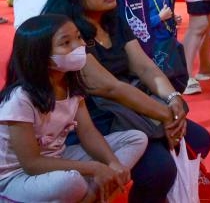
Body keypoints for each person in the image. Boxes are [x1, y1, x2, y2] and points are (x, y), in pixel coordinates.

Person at [42, 0, 210, 203]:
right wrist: (166, 115)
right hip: (94, 117)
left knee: (200, 140)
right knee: (159, 169)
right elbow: (109, 87)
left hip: (131, 106)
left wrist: (173, 98)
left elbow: (144, 66)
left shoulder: (112, 20)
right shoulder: (69, 35)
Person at [0, 14, 148, 203]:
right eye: (66, 43)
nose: (79, 46)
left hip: (57, 157)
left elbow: (88, 132)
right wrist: (94, 168)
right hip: (17, 176)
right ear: (41, 55)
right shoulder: (21, 98)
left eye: (78, 37)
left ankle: (93, 193)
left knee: (136, 138)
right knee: (71, 182)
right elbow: (31, 164)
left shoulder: (70, 86)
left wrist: (113, 163)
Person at [143, 0, 186, 92]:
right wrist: (160, 18)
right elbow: (141, 23)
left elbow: (167, 11)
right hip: (153, 44)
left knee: (172, 76)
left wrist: (173, 18)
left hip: (168, 41)